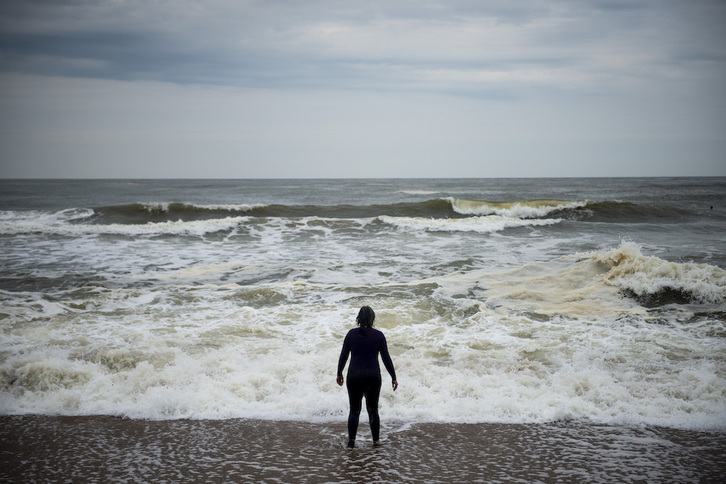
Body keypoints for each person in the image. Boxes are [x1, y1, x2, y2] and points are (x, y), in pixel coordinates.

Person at [337, 306, 398, 448]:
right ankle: (375, 441)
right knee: (373, 410)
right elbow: (386, 358)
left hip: (354, 375)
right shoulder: (379, 335)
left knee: (354, 410)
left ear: (358, 318)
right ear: (372, 319)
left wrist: (339, 373)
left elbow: (344, 355)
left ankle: (351, 442)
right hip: (373, 376)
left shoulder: (351, 334)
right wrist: (393, 377)